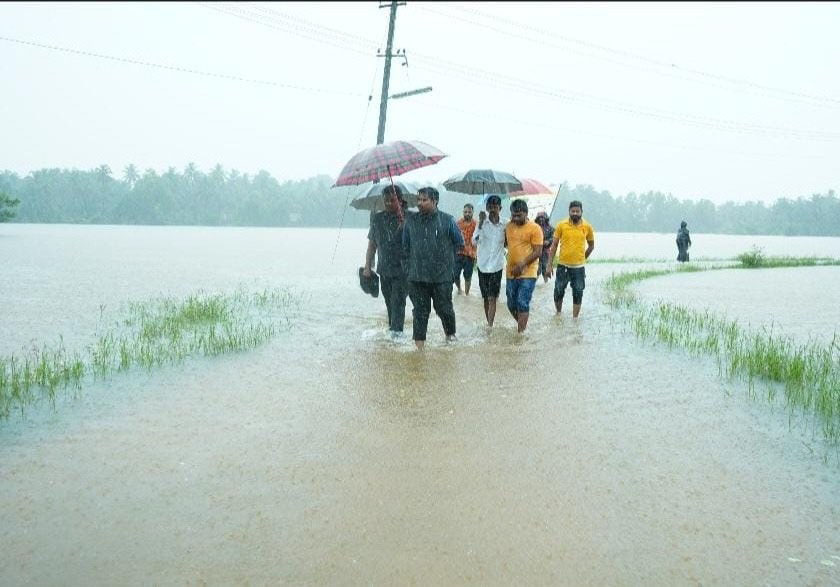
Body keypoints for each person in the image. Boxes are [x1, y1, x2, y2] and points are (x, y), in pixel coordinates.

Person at [402, 186, 464, 350]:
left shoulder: (447, 220)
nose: (420, 203)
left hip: (442, 277)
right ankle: (419, 351)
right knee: (420, 313)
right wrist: (408, 271)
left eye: (424, 200)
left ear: (435, 201)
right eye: (418, 200)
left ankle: (450, 338)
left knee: (444, 309)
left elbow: (459, 244)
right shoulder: (410, 221)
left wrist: (449, 267)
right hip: (417, 277)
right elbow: (405, 248)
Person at [363, 185, 410, 337]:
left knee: (398, 302)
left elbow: (419, 242)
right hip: (384, 269)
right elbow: (372, 245)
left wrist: (405, 226)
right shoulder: (377, 219)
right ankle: (393, 331)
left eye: (392, 200)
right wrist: (367, 267)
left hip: (403, 270)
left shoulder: (409, 218)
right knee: (389, 303)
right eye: (386, 200)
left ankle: (397, 335)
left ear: (400, 200)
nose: (389, 203)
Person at [546, 200, 595, 318]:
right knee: (558, 291)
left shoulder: (587, 226)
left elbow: (591, 246)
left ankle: (575, 319)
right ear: (569, 212)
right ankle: (558, 314)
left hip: (579, 268)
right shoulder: (561, 225)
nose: (575, 213)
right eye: (573, 211)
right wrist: (549, 265)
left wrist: (583, 258)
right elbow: (554, 245)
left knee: (578, 292)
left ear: (582, 212)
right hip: (563, 266)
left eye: (577, 211)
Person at [504, 199, 544, 333]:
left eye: (519, 215)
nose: (516, 218)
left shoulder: (535, 228)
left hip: (528, 272)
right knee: (511, 304)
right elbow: (505, 244)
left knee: (522, 302)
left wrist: (522, 264)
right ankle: (524, 327)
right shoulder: (508, 227)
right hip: (511, 272)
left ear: (526, 213)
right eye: (513, 215)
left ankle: (520, 334)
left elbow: (538, 252)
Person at [471, 195, 506, 327]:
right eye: (490, 207)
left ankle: (490, 325)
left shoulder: (505, 225)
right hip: (483, 266)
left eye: (495, 207)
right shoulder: (481, 223)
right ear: (486, 208)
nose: (492, 210)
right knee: (486, 297)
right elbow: (474, 242)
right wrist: (480, 224)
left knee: (492, 297)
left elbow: (508, 242)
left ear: (500, 208)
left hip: (497, 266)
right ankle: (488, 322)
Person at [454, 203, 477, 295]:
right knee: (455, 275)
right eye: (465, 212)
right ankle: (459, 289)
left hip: (470, 254)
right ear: (463, 212)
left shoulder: (476, 224)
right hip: (459, 252)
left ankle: (467, 295)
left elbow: (479, 238)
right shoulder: (458, 223)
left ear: (472, 212)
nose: (467, 214)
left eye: (469, 212)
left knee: (468, 276)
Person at [534, 211, 554, 283]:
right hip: (536, 251)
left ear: (546, 218)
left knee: (545, 268)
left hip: (546, 251)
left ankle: (546, 284)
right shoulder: (534, 227)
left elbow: (554, 237)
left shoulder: (550, 228)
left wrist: (548, 241)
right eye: (539, 218)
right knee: (536, 269)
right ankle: (533, 285)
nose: (541, 219)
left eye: (542, 218)